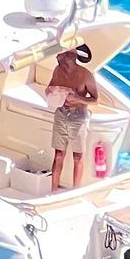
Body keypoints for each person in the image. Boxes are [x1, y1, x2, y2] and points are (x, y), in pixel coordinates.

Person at [44, 41, 99, 191]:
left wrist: (78, 99)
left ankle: (76, 190)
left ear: (70, 56)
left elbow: (95, 99)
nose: (58, 58)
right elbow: (49, 88)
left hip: (78, 116)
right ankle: (53, 190)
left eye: (61, 56)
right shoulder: (58, 70)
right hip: (61, 113)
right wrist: (51, 92)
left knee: (77, 156)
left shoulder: (85, 75)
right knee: (59, 155)